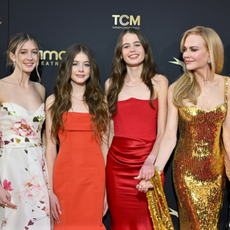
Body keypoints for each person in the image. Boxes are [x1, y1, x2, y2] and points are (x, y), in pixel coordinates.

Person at [153, 26, 230, 230]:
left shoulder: (227, 86)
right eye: (185, 50)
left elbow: (228, 138)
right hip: (185, 172)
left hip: (216, 172)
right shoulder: (176, 89)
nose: (186, 55)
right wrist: (156, 171)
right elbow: (170, 136)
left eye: (193, 49)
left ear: (210, 52)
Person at [105, 28, 168, 229]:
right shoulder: (111, 85)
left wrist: (151, 162)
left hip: (148, 164)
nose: (132, 49)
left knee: (147, 224)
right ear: (120, 54)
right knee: (121, 223)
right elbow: (109, 133)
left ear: (145, 49)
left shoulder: (159, 82)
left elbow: (163, 133)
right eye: (126, 46)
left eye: (136, 44)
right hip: (116, 167)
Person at [45, 44, 108, 230]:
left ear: (92, 69)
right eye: (75, 64)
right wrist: (50, 191)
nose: (81, 70)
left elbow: (105, 147)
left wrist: (105, 188)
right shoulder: (54, 101)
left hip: (94, 179)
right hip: (65, 178)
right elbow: (50, 149)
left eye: (86, 64)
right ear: (67, 67)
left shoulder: (101, 102)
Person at [0, 33, 50, 229]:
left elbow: (43, 135)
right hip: (9, 168)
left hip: (37, 168)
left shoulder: (40, 89)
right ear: (12, 56)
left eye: (34, 52)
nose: (30, 57)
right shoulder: (1, 87)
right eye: (23, 52)